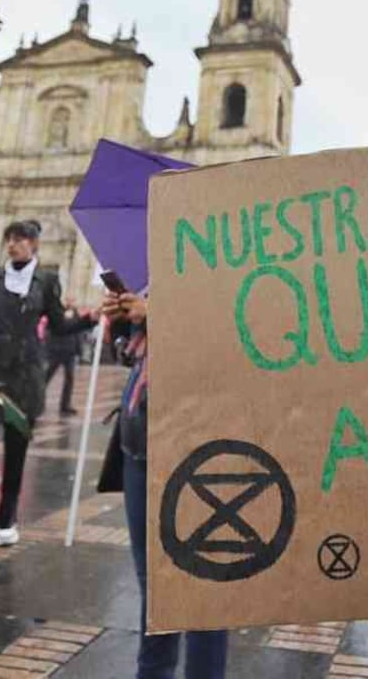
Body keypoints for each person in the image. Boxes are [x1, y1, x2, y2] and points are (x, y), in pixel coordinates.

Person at [97, 289, 228, 679]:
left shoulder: (221, 247)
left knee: (206, 585)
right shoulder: (153, 268)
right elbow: (131, 356)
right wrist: (124, 318)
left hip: (199, 447)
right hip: (139, 444)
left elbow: (235, 332)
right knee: (154, 585)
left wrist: (159, 312)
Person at [0, 220, 91, 549]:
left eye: (20, 240)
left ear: (34, 244)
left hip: (24, 383)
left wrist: (89, 318)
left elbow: (58, 325)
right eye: (9, 239)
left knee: (16, 455)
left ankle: (6, 518)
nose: (13, 245)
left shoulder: (46, 281)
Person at [44, 298, 91, 417]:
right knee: (46, 376)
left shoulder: (76, 314)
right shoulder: (57, 312)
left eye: (73, 300)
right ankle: (38, 400)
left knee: (69, 378)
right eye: (68, 299)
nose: (71, 302)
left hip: (70, 351)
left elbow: (77, 332)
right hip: (57, 349)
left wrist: (78, 349)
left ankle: (65, 405)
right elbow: (52, 329)